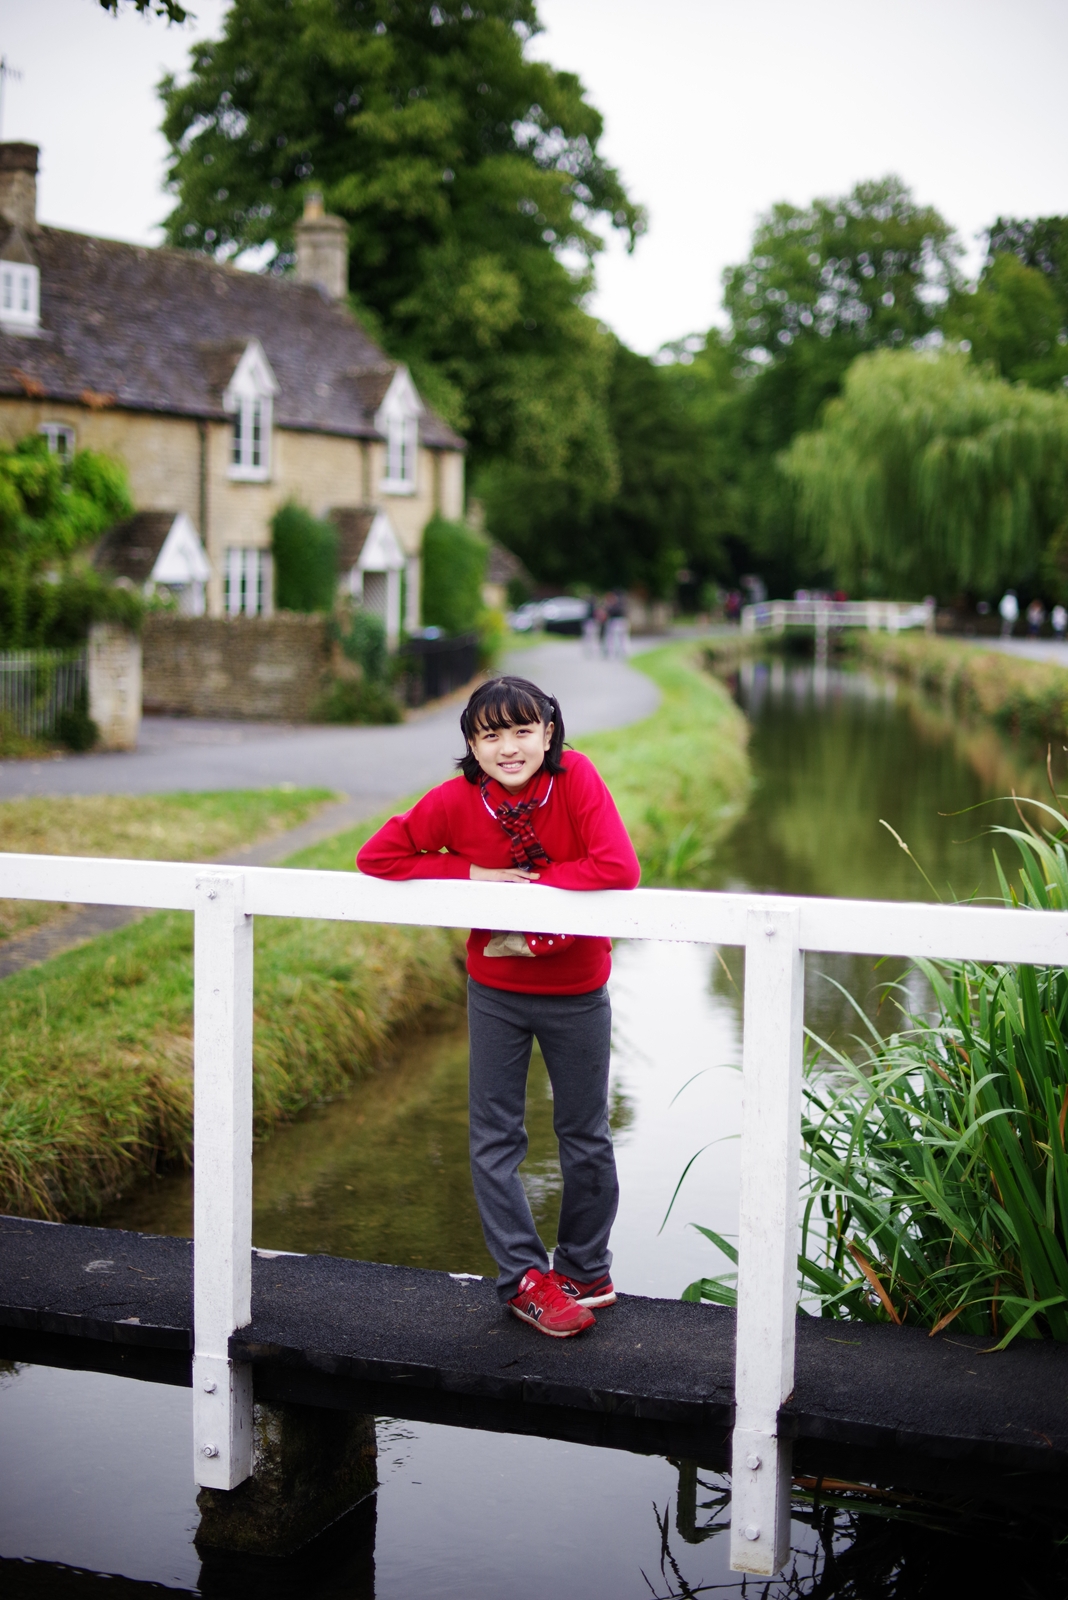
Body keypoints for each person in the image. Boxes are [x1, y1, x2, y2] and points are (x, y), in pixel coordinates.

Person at [356, 676, 641, 1339]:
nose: (508, 747)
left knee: (586, 1137)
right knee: (496, 1140)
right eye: (491, 735)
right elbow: (380, 856)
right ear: (471, 744)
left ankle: (584, 1269)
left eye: (522, 731)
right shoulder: (457, 802)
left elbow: (617, 867)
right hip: (496, 994)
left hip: (577, 991)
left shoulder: (575, 780)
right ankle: (523, 1280)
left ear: (548, 733)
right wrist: (469, 874)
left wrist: (534, 891)